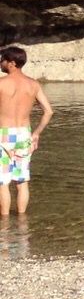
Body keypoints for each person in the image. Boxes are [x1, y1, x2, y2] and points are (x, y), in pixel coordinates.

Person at [0, 45, 52, 218]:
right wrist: (36, 133)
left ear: (11, 63)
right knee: (22, 182)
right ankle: (22, 224)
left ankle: (5, 225)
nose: (1, 62)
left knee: (3, 183)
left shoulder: (1, 83)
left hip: (3, 134)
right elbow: (48, 112)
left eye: (3, 60)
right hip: (24, 134)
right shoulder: (33, 84)